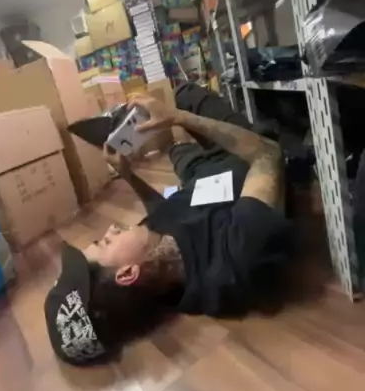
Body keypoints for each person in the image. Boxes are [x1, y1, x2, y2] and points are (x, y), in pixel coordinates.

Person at [45, 91, 292, 366]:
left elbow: (163, 212)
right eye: (105, 243)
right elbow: (268, 154)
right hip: (241, 154)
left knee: (177, 148)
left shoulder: (153, 270)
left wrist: (128, 175)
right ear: (127, 274)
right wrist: (178, 117)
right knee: (186, 95)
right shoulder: (235, 258)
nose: (111, 229)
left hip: (197, 176)